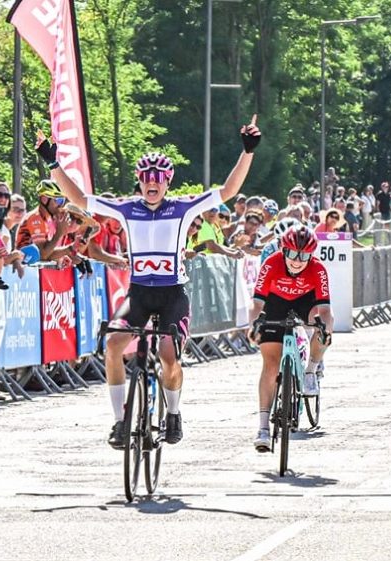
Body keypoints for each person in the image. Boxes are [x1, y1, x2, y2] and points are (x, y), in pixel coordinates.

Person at [38, 115, 261, 449]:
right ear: (140, 182)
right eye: (146, 179)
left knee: (169, 357)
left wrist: (247, 152)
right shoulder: (128, 209)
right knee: (113, 346)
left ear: (167, 182)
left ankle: (173, 412)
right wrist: (53, 163)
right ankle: (119, 422)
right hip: (140, 292)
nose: (151, 184)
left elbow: (228, 191)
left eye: (158, 179)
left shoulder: (184, 207)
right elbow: (81, 200)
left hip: (172, 294)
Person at [248, 227, 333, 451]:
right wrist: (255, 324)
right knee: (270, 364)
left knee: (324, 329)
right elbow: (257, 304)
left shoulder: (318, 269)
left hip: (306, 300)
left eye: (304, 256)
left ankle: (310, 370)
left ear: (311, 255)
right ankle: (263, 428)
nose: (297, 261)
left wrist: (323, 329)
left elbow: (325, 310)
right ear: (284, 250)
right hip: (276, 301)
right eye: (293, 254)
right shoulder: (272, 264)